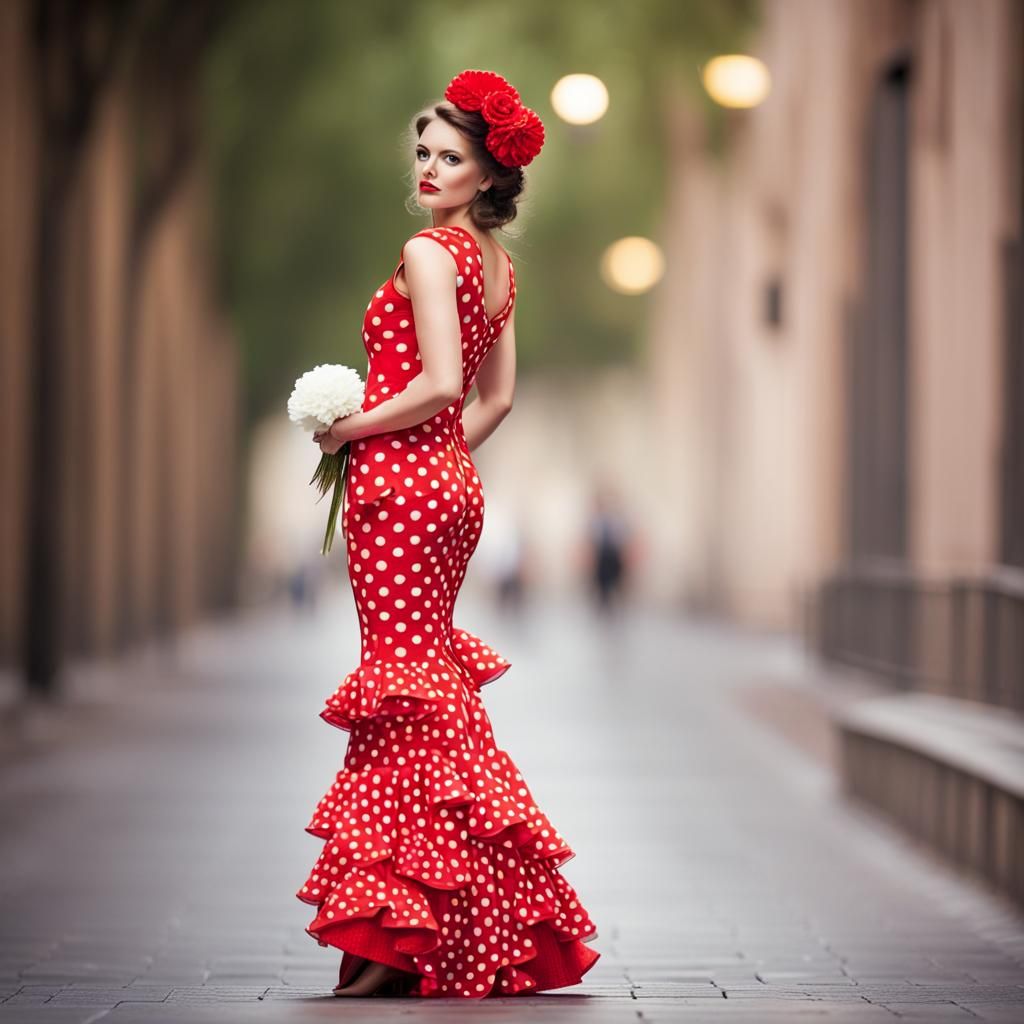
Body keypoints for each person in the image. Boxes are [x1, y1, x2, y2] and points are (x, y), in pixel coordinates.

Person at [300, 69, 601, 999]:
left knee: (400, 690)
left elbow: (437, 383)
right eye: (423, 154)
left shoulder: (429, 253)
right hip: (446, 485)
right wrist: (440, 463)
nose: (429, 170)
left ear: (486, 173)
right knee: (420, 686)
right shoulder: (503, 269)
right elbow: (493, 397)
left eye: (449, 158)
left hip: (403, 489)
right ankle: (426, 924)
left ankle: (394, 933)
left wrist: (349, 435)